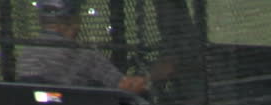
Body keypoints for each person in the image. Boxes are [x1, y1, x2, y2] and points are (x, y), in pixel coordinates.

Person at [17, 0, 168, 94]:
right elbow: (127, 88)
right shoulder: (83, 55)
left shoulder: (27, 51)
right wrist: (156, 74)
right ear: (71, 19)